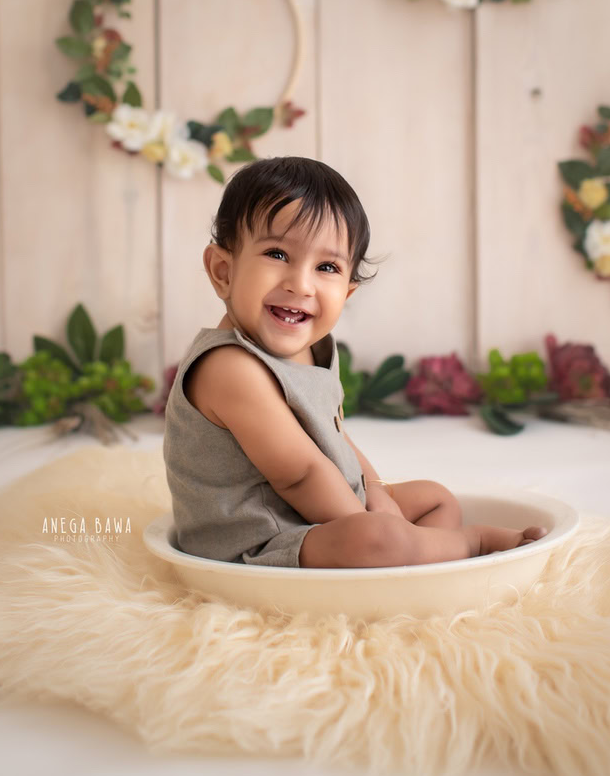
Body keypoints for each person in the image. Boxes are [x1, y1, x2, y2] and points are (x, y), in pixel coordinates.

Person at [162, 155, 547, 569]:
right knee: (378, 538)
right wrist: (373, 523)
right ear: (223, 270)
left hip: (315, 515)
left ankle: (419, 555)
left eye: (326, 267)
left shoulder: (308, 350)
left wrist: (376, 490)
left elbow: (334, 438)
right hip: (257, 542)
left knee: (435, 498)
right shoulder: (229, 368)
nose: (301, 284)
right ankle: (471, 546)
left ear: (346, 292)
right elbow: (301, 474)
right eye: (277, 254)